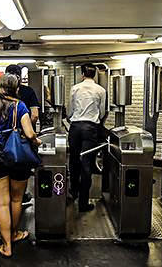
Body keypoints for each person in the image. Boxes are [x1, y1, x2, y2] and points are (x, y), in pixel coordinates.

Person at [0, 73, 41, 257]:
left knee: (1, 204)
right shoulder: (20, 107)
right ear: (16, 89)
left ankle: (6, 246)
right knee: (16, 200)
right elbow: (29, 134)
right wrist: (36, 141)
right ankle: (14, 234)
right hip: (17, 158)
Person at [68, 63, 107, 212]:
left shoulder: (75, 88)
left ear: (82, 74)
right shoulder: (101, 90)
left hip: (76, 127)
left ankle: (74, 191)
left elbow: (70, 110)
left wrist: (72, 117)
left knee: (74, 160)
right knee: (87, 164)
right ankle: (83, 203)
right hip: (91, 128)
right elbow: (102, 112)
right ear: (95, 74)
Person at [5, 64, 40, 204]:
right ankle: (21, 196)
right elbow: (35, 115)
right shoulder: (28, 91)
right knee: (20, 174)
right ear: (20, 76)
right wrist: (26, 128)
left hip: (2, 141)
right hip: (22, 140)